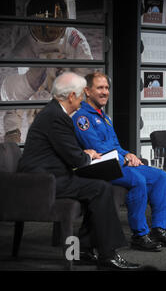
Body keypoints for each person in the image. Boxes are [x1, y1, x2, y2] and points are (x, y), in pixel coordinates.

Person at [17, 72, 140, 270]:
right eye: (81, 96)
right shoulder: (56, 117)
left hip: (50, 176)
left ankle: (83, 249)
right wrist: (88, 155)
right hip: (43, 182)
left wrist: (84, 153)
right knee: (100, 189)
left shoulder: (53, 113)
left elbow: (67, 151)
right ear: (72, 96)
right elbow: (75, 158)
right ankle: (108, 255)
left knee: (100, 186)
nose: (82, 100)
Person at [72, 72, 166, 250]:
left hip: (118, 162)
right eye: (100, 88)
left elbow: (116, 145)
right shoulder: (82, 118)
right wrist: (124, 158)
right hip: (101, 167)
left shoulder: (105, 117)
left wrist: (130, 154)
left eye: (107, 88)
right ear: (87, 91)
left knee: (161, 176)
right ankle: (139, 235)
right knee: (136, 179)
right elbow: (97, 149)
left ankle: (160, 229)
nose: (105, 92)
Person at [0, 0, 93, 143]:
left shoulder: (74, 39)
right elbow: (15, 97)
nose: (48, 23)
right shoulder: (26, 45)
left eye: (55, 14)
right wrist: (12, 133)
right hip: (39, 110)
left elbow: (87, 83)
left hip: (68, 109)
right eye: (41, 15)